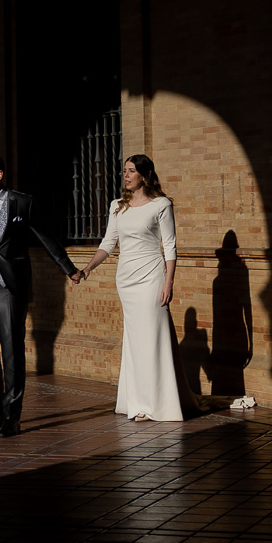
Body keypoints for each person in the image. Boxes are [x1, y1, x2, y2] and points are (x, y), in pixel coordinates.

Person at [0, 153, 80, 437]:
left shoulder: (22, 202)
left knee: (12, 354)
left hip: (10, 289)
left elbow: (46, 237)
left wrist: (68, 269)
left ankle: (12, 415)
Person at [74, 154, 185, 421]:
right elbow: (107, 243)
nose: (125, 175)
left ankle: (154, 404)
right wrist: (88, 268)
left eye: (131, 171)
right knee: (135, 341)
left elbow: (169, 245)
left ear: (144, 176)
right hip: (126, 279)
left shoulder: (161, 204)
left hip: (151, 277)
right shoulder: (116, 206)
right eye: (124, 171)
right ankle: (135, 400)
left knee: (151, 339)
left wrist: (168, 282)